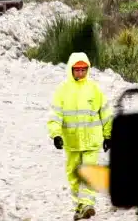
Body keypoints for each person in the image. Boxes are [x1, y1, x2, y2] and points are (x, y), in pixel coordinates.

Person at [48, 51, 114, 220]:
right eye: (77, 70)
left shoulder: (94, 90)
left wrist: (108, 136)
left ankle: (86, 204)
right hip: (72, 142)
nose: (80, 73)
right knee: (74, 175)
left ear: (88, 69)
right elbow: (55, 116)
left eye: (83, 69)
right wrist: (56, 135)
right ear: (71, 70)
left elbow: (105, 114)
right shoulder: (62, 91)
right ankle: (80, 206)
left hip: (92, 142)